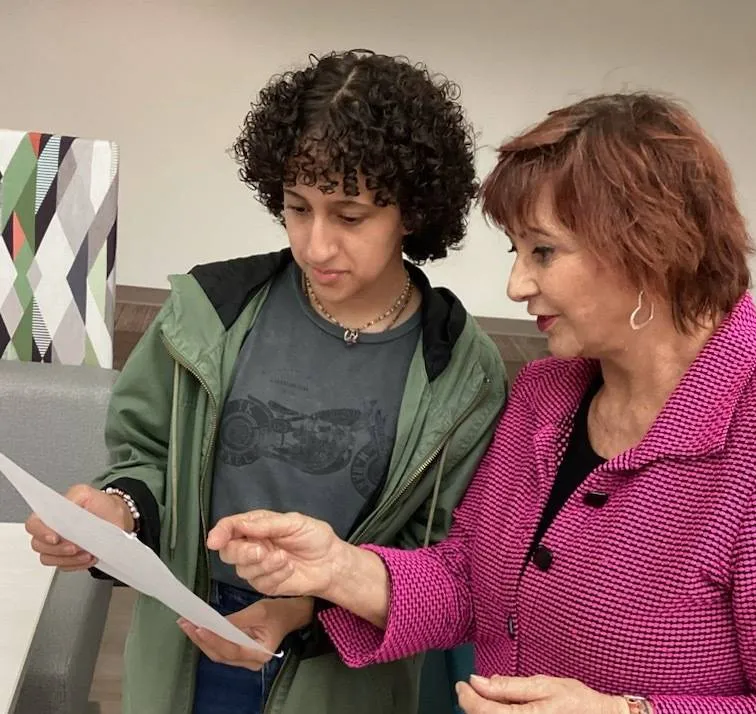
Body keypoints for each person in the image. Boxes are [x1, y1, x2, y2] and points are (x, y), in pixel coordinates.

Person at [207, 93, 756, 714]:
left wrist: (627, 712)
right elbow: (467, 582)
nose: (516, 285)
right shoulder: (545, 396)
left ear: (651, 249)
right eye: (516, 251)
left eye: (543, 250)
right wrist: (337, 568)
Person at [23, 49, 507, 714]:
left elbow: (444, 556)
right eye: (297, 207)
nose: (315, 245)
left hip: (342, 672)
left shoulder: (462, 371)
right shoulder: (208, 312)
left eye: (350, 216)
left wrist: (302, 609)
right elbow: (147, 454)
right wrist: (116, 512)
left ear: (413, 212)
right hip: (187, 636)